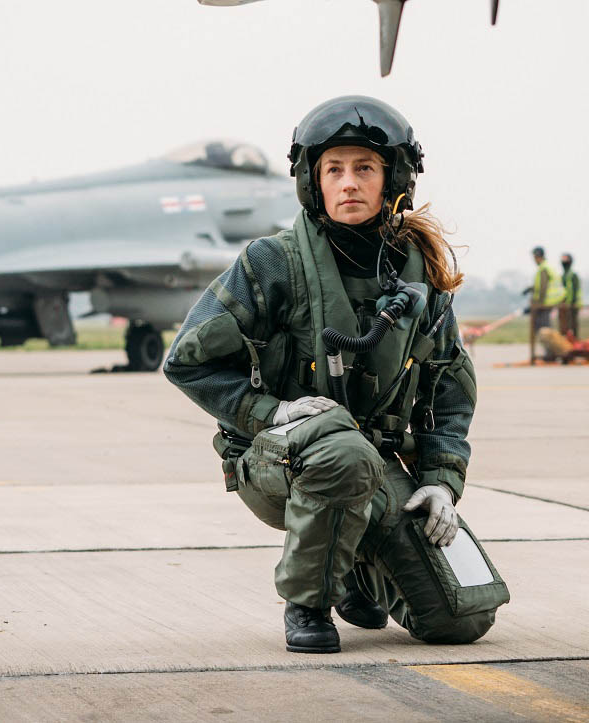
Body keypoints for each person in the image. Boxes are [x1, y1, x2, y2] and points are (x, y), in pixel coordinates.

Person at [164, 96, 509, 654]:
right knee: (342, 453)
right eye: (334, 169)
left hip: (374, 467)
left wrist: (441, 482)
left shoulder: (420, 278)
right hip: (280, 461)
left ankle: (353, 569)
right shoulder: (271, 264)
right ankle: (308, 602)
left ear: (392, 178)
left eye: (365, 168)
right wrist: (269, 411)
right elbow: (186, 359)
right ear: (313, 181)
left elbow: (450, 390)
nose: (349, 183)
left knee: (461, 618)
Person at [526, 246, 564, 331]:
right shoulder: (547, 267)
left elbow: (543, 287)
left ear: (538, 256)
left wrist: (539, 303)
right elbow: (541, 285)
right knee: (545, 325)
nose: (534, 260)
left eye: (535, 257)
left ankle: (549, 342)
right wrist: (531, 289)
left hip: (546, 301)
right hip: (550, 300)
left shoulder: (543, 268)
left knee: (543, 327)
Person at [559, 253, 582, 338]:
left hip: (573, 304)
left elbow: (576, 290)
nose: (563, 261)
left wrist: (574, 302)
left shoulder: (573, 275)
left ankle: (575, 345)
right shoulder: (562, 276)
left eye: (565, 259)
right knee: (564, 326)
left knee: (573, 326)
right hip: (564, 305)